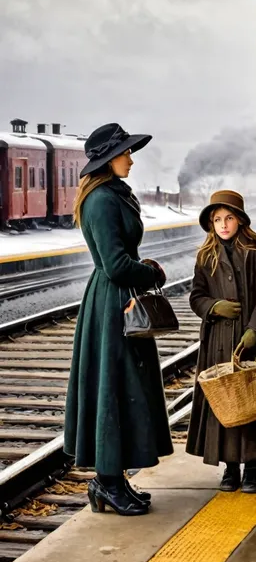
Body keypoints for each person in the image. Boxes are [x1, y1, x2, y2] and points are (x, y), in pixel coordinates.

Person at [64, 123, 173, 516]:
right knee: (113, 386)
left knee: (123, 386)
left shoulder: (111, 194)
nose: (131, 158)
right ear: (109, 160)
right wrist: (152, 273)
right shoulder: (102, 201)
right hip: (113, 303)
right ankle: (106, 482)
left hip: (117, 300)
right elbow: (114, 265)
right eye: (125, 152)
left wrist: (140, 268)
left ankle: (113, 479)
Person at [186, 190, 256, 493]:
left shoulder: (255, 252)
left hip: (251, 343)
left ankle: (252, 468)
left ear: (240, 221)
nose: (223, 224)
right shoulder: (206, 256)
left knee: (253, 404)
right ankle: (230, 468)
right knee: (225, 403)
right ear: (211, 223)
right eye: (217, 219)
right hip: (219, 343)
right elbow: (196, 296)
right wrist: (212, 307)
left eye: (229, 218)